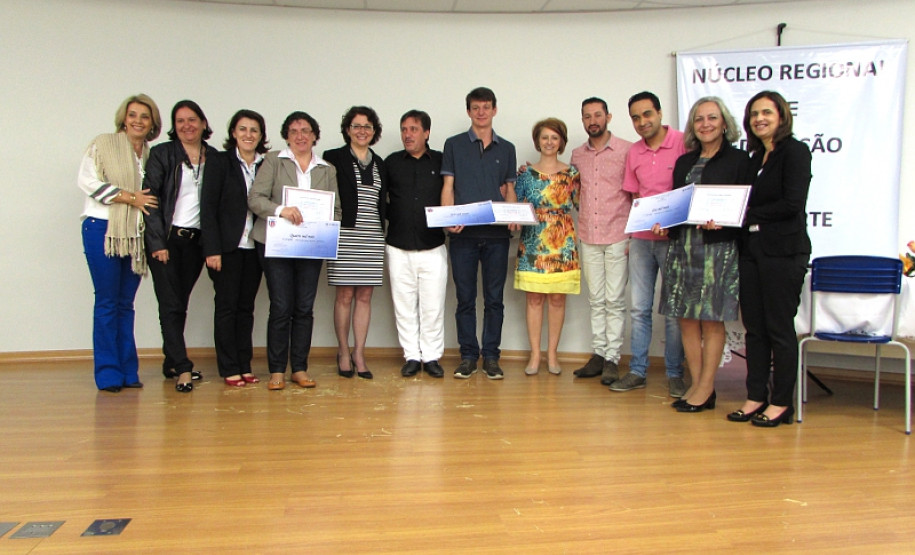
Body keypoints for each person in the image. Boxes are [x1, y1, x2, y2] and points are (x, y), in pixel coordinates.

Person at [656, 97, 750, 413]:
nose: (705, 124)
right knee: (685, 319)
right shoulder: (685, 161)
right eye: (699, 119)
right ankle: (697, 386)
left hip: (717, 249)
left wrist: (724, 221)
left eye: (712, 118)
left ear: (724, 123)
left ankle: (707, 386)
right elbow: (678, 206)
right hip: (682, 248)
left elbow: (746, 208)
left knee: (710, 319)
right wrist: (662, 224)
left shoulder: (739, 160)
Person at [729, 91, 812, 427]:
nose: (759, 119)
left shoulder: (795, 152)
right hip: (751, 250)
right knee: (755, 330)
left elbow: (792, 204)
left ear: (781, 116)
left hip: (784, 252)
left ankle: (780, 402)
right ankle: (755, 396)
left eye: (766, 112)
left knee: (779, 330)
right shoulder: (753, 158)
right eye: (753, 114)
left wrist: (744, 213)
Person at [248, 111, 341, 391]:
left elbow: (336, 209)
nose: (300, 136)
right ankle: (277, 370)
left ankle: (299, 367)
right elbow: (255, 198)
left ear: (315, 135)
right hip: (277, 244)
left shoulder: (327, 168)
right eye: (294, 131)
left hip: (311, 246)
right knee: (281, 306)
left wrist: (325, 222)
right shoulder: (274, 161)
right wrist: (282, 210)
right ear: (286, 136)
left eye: (305, 130)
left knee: (304, 308)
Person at [78, 94, 161, 393]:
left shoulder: (151, 155)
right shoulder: (103, 144)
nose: (138, 121)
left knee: (126, 303)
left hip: (135, 234)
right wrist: (130, 197)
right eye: (133, 115)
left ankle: (128, 370)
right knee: (107, 301)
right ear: (123, 118)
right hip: (102, 228)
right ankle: (108, 372)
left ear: (153, 123)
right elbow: (87, 181)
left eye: (145, 116)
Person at [441, 86, 519, 380]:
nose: (481, 112)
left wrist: (512, 216)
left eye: (486, 107)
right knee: (465, 299)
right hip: (463, 236)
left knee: (494, 299)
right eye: (476, 107)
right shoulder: (454, 145)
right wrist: (449, 219)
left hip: (497, 237)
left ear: (494, 110)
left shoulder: (507, 148)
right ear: (469, 112)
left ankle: (491, 357)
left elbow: (509, 189)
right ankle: (468, 356)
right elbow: (448, 186)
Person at [614, 92, 687, 395]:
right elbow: (634, 196)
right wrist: (634, 233)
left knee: (672, 310)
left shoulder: (684, 142)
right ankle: (637, 371)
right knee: (639, 309)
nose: (642, 122)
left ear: (659, 113)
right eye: (635, 117)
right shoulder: (634, 152)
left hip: (675, 240)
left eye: (647, 114)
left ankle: (674, 373)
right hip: (642, 241)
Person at [144, 100, 218, 393]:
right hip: (168, 241)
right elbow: (151, 202)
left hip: (197, 243)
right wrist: (157, 243)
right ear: (174, 128)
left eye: (192, 120)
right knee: (171, 303)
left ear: (202, 123)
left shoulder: (214, 158)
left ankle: (170, 362)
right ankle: (183, 367)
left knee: (179, 303)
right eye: (180, 121)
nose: (187, 126)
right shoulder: (163, 154)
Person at [200, 110, 268, 387]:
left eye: (254, 130)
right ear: (233, 133)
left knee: (246, 308)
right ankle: (229, 367)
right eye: (243, 129)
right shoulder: (219, 162)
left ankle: (244, 364)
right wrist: (211, 249)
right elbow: (208, 207)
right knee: (226, 308)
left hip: (256, 247)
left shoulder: (267, 164)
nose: (248, 135)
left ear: (261, 135)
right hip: (227, 248)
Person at [569, 97, 632, 383]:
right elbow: (572, 190)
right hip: (589, 234)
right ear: (582, 121)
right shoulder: (577, 154)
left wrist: (632, 233)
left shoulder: (626, 150)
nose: (592, 120)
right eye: (586, 116)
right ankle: (598, 353)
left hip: (619, 233)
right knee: (595, 299)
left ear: (608, 116)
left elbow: (635, 194)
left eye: (597, 115)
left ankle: (613, 358)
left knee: (614, 300)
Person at [323, 106, 387, 380]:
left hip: (372, 236)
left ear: (374, 132)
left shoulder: (381, 163)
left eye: (368, 126)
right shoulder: (333, 158)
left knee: (364, 296)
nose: (362, 131)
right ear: (348, 130)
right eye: (357, 126)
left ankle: (359, 353)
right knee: (345, 295)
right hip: (343, 234)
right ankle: (342, 350)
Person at [514, 118, 581, 376]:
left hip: (562, 244)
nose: (549, 142)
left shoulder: (572, 174)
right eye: (545, 138)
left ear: (562, 142)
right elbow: (514, 208)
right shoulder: (525, 175)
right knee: (533, 299)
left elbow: (582, 206)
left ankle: (552, 354)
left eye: (554, 137)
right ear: (537, 141)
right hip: (532, 243)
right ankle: (535, 355)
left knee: (556, 299)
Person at [384, 110, 447, 379]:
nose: (407, 135)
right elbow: (380, 200)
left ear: (426, 133)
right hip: (398, 246)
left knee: (433, 306)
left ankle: (431, 356)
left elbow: (455, 194)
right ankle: (411, 355)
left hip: (433, 246)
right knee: (404, 305)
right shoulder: (391, 163)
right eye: (403, 129)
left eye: (413, 129)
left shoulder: (443, 162)